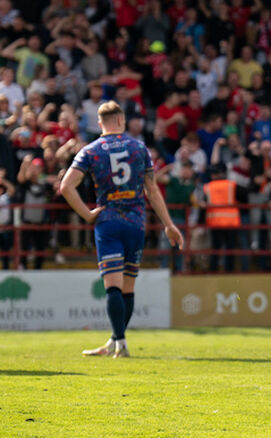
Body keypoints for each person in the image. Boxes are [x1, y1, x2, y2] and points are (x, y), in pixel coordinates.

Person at [60, 101, 183, 358]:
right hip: (136, 222)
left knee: (112, 287)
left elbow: (66, 186)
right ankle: (116, 341)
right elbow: (152, 190)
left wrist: (87, 214)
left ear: (100, 121)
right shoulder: (139, 148)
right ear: (121, 120)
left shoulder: (91, 150)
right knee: (128, 287)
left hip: (108, 221)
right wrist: (169, 225)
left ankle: (120, 342)